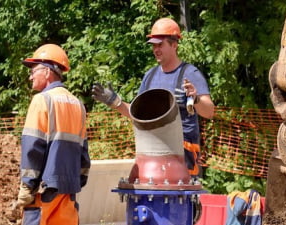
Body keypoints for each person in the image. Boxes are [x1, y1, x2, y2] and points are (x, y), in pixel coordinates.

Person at [12, 44, 91, 225]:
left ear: (48, 71)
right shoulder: (77, 104)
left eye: (34, 71)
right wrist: (77, 182)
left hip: (43, 186)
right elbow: (83, 151)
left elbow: (33, 146)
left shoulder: (42, 101)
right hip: (66, 188)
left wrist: (27, 185)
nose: (31, 76)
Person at [92, 17, 215, 177]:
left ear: (174, 44)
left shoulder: (190, 74)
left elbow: (209, 111)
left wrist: (196, 99)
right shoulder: (150, 76)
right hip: (153, 156)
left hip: (182, 159)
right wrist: (116, 102)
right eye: (154, 45)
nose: (156, 49)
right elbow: (138, 115)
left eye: (160, 44)